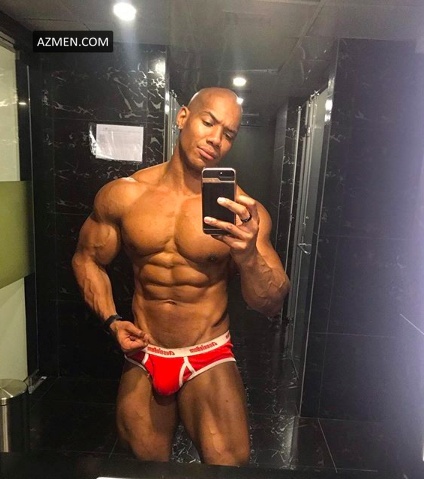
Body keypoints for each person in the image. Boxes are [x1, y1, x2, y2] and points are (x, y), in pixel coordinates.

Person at [72, 87, 290, 466]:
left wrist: (248, 255)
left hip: (207, 354)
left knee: (228, 465)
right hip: (145, 352)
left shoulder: (242, 212)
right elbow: (86, 259)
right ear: (183, 116)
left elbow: (271, 301)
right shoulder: (125, 196)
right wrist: (112, 321)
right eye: (209, 122)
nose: (216, 139)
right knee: (144, 467)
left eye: (228, 134)